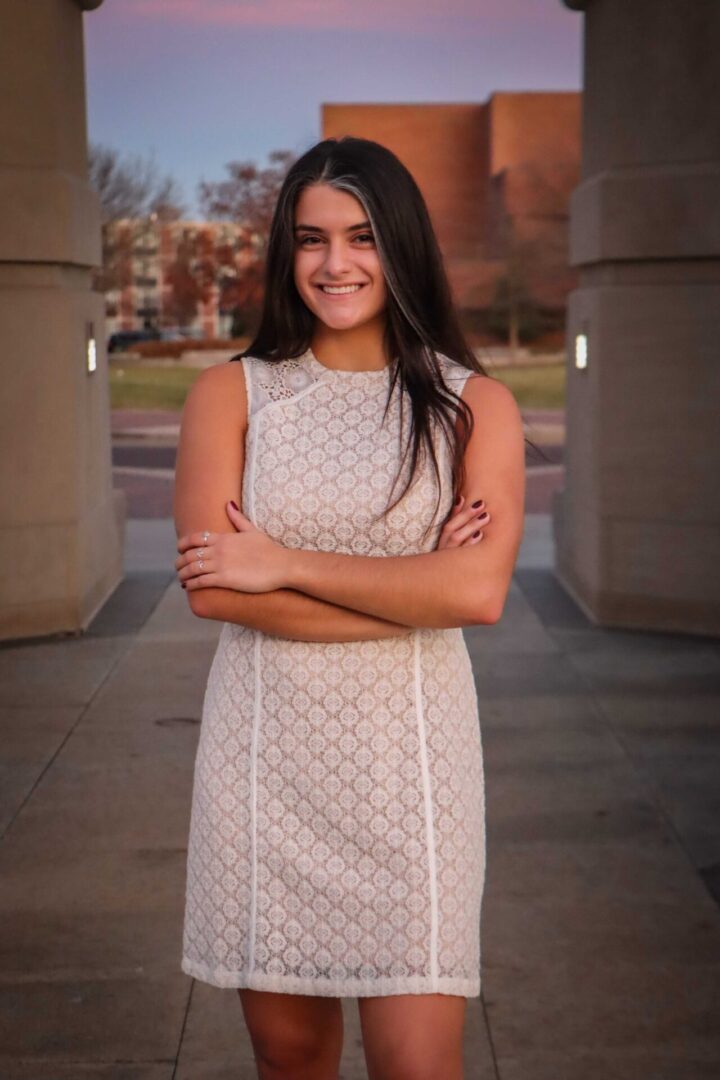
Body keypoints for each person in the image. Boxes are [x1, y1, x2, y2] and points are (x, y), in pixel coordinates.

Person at [173, 136, 525, 1080]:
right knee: (289, 1062)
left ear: (401, 245)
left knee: (419, 1064)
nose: (336, 264)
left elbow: (477, 592)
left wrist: (280, 564)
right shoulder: (229, 395)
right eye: (311, 239)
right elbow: (214, 589)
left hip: (411, 774)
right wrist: (419, 594)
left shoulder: (472, 407)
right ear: (286, 256)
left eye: (362, 237)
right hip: (265, 767)